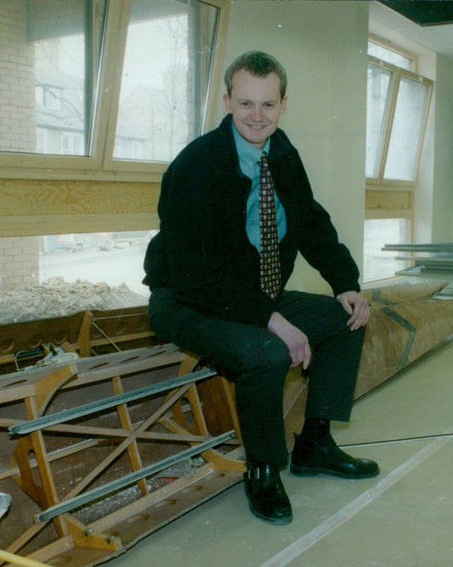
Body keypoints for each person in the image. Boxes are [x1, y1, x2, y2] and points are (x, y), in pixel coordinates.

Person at [143, 50, 378, 525]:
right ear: (228, 101)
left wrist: (347, 283)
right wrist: (273, 320)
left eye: (267, 105)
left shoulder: (282, 153)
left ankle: (315, 444)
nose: (257, 116)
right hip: (188, 300)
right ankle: (264, 469)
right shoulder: (195, 167)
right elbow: (194, 276)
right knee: (267, 352)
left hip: (251, 295)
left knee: (345, 319)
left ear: (283, 105)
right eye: (246, 103)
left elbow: (312, 223)